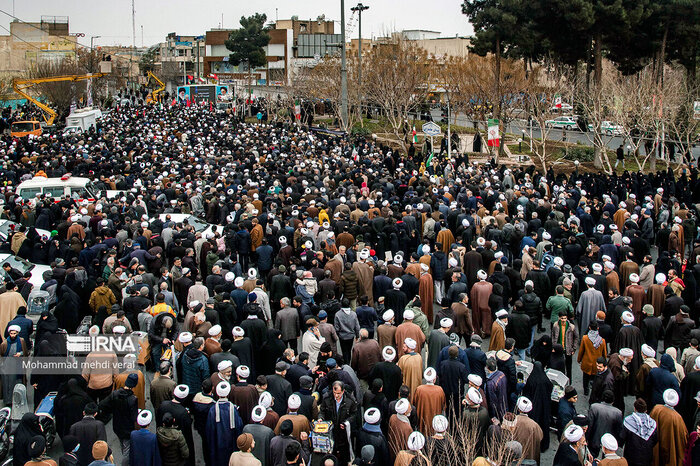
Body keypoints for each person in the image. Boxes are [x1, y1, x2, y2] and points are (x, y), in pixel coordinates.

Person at [319, 381, 358, 465]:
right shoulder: (327, 398)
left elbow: (354, 414)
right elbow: (322, 410)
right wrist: (321, 418)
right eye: (334, 393)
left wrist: (347, 422)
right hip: (330, 432)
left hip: (343, 433)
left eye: (338, 393)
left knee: (343, 455)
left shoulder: (350, 400)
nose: (336, 396)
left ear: (343, 391)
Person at [206, 381, 243, 466]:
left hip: (217, 446)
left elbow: (209, 431)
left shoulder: (212, 410)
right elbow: (239, 427)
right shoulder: (233, 409)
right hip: (231, 445)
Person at [649, 388, 687, 466]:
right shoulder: (677, 418)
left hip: (656, 447)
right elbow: (683, 437)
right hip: (670, 449)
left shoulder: (656, 409)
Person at [522, 361, 553, 452]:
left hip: (534, 407)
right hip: (545, 406)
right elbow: (550, 387)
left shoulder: (531, 379)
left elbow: (526, 392)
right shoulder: (545, 379)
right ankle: (543, 444)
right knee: (544, 423)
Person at [620, 398, 658, 466]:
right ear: (646, 410)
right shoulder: (652, 423)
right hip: (647, 456)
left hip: (631, 456)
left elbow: (622, 438)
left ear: (635, 409)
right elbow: (655, 440)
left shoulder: (628, 421)